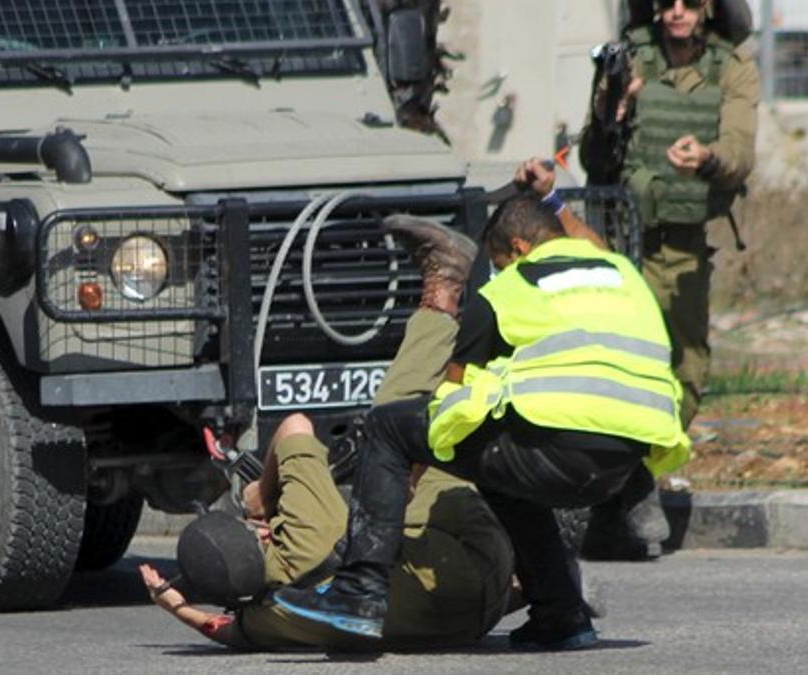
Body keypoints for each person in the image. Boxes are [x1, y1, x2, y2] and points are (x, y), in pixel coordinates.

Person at [274, 158, 691, 651]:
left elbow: (453, 397)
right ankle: (562, 614)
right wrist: (554, 199)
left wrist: (411, 460)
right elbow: (585, 242)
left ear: (517, 248)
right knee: (504, 475)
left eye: (497, 261)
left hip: (558, 449)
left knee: (389, 427)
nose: (495, 272)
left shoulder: (508, 290)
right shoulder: (617, 271)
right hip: (627, 461)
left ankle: (359, 593)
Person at [139, 226, 516, 651]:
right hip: (475, 558)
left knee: (396, 525)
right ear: (259, 534)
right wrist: (260, 495)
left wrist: (176, 606)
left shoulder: (271, 616)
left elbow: (221, 629)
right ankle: (443, 297)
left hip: (478, 615)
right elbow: (295, 426)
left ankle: (541, 578)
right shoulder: (299, 530)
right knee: (392, 426)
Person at [578, 0, 760, 560]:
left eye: (689, 1)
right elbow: (593, 156)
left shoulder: (731, 68)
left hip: (681, 245)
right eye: (667, 2)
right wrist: (616, 105)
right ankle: (627, 493)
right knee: (616, 365)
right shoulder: (630, 60)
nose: (677, 11)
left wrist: (705, 157)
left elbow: (739, 151)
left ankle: (630, 480)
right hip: (619, 238)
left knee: (685, 371)